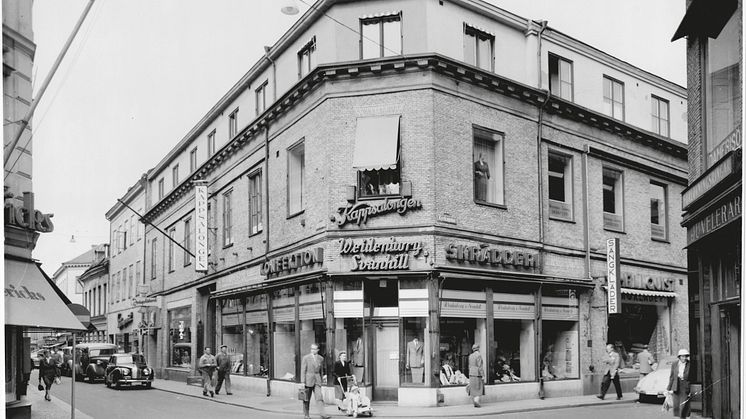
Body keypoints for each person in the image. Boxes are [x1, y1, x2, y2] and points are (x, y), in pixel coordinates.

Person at [300, 343, 329, 419]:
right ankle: (306, 414)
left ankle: (323, 414)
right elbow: (303, 370)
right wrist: (302, 382)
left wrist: (322, 378)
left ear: (318, 350)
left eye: (314, 349)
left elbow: (321, 370)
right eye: (312, 348)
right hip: (308, 380)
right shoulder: (306, 358)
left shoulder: (321, 358)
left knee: (319, 397)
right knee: (306, 398)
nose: (313, 350)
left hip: (317, 380)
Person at [666, 349, 691, 419]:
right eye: (682, 356)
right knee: (676, 405)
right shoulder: (675, 364)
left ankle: (683, 417)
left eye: (686, 356)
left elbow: (692, 376)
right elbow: (672, 376)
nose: (684, 358)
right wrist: (668, 388)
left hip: (685, 385)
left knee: (683, 405)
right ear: (679, 357)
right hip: (676, 385)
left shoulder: (690, 364)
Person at [467, 343, 484, 408]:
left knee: (473, 388)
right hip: (477, 374)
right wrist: (483, 375)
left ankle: (475, 401)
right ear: (478, 349)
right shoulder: (478, 355)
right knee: (478, 388)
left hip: (471, 373)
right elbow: (480, 366)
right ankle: (476, 401)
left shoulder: (470, 356)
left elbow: (469, 366)